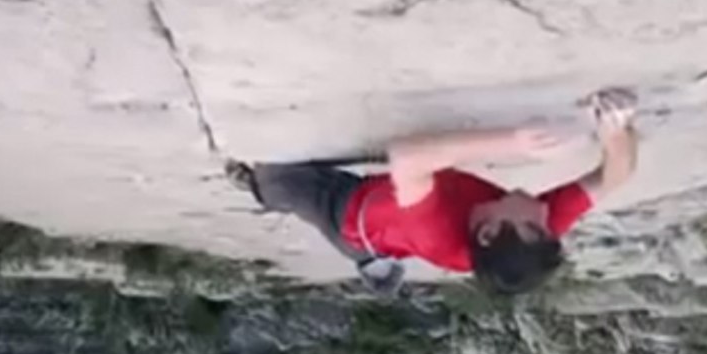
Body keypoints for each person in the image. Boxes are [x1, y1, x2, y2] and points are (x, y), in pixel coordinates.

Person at [227, 87, 639, 295]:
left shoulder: (435, 230)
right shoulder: (533, 232)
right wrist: (616, 128)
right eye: (547, 228)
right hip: (398, 200)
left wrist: (511, 142)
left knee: (276, 179)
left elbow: (406, 157)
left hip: (349, 215)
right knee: (399, 190)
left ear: (487, 232)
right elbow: (614, 177)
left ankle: (257, 190)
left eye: (534, 226)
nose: (546, 214)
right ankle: (381, 267)